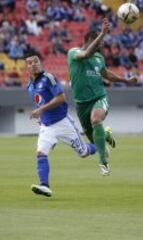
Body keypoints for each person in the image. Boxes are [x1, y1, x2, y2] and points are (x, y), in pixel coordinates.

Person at [67, 18, 138, 176]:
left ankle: (103, 163)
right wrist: (102, 34)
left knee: (96, 120)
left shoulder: (99, 59)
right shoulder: (73, 53)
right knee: (94, 140)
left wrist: (125, 80)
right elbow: (86, 54)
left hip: (99, 97)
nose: (100, 46)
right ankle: (105, 134)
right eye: (98, 42)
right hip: (81, 104)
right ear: (90, 40)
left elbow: (106, 74)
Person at [26, 54, 97, 197]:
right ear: (26, 67)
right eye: (30, 63)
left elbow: (61, 98)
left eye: (36, 61)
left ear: (40, 63)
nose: (34, 64)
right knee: (41, 153)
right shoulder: (30, 86)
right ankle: (45, 186)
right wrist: (40, 117)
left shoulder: (48, 78)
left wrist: (40, 110)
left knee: (83, 153)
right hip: (47, 126)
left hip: (63, 123)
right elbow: (40, 102)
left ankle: (99, 145)